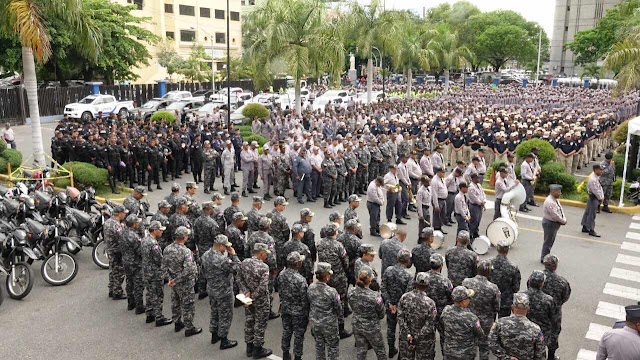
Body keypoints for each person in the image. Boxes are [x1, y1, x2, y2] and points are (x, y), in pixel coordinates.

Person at [201, 234, 240, 350]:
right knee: (225, 315)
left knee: (214, 312)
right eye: (226, 247)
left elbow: (202, 271)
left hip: (211, 289)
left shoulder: (205, 255)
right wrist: (234, 254)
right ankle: (224, 340)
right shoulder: (222, 260)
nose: (227, 249)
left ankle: (214, 334)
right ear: (221, 246)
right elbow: (238, 268)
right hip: (224, 291)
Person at [162, 226, 202, 337]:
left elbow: (164, 266)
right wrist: (176, 280)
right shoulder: (186, 251)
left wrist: (170, 279)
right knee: (188, 305)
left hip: (173, 282)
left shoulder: (167, 249)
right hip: (185, 283)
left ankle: (177, 323)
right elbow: (189, 269)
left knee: (176, 302)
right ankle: (189, 328)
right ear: (184, 237)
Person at [317, 223, 352, 335]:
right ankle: (340, 327)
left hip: (324, 275)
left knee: (326, 297)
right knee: (339, 299)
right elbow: (345, 261)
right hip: (338, 276)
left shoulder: (319, 243)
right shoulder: (338, 245)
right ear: (335, 232)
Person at [462, 260, 501, 360]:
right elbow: (497, 307)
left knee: (468, 344)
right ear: (489, 272)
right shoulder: (493, 288)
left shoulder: (466, 282)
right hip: (486, 321)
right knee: (484, 347)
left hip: (468, 318)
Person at [239, 243, 273, 359]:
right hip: (261, 300)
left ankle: (249, 347)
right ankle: (258, 349)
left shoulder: (244, 263)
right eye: (266, 254)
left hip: (247, 298)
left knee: (249, 321)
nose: (266, 257)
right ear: (261, 253)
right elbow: (263, 287)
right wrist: (254, 296)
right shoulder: (264, 267)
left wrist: (246, 292)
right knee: (260, 323)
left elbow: (239, 278)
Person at [488, 292, 546, 360]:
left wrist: (506, 357)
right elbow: (540, 354)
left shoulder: (500, 323)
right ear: (528, 309)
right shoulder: (536, 329)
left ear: (512, 307)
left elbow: (491, 342)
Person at [397, 271, 438, 360]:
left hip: (406, 338)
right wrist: (416, 338)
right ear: (428, 285)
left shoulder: (404, 297)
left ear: (415, 283)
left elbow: (400, 317)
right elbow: (429, 324)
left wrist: (408, 334)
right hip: (424, 341)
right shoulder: (430, 303)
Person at [381, 249, 413, 358]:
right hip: (402, 308)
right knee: (403, 330)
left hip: (390, 306)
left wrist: (390, 303)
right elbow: (407, 295)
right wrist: (399, 306)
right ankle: (401, 353)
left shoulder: (388, 270)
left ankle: (391, 349)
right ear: (407, 260)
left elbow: (383, 287)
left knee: (391, 328)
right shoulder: (409, 275)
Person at [277, 251, 310, 360]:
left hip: (285, 308)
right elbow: (304, 299)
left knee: (286, 331)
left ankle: (285, 354)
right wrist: (307, 314)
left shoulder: (281, 274)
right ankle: (297, 356)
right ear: (297, 264)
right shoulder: (300, 280)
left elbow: (280, 291)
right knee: (298, 335)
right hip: (298, 312)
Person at [308, 262, 344, 360]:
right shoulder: (332, 291)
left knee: (319, 346)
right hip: (329, 324)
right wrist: (340, 319)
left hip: (315, 322)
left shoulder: (310, 288)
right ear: (327, 276)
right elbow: (338, 308)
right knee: (333, 347)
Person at [350, 265, 386, 360]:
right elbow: (382, 314)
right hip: (372, 327)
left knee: (361, 350)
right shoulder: (375, 296)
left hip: (357, 324)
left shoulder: (351, 292)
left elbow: (352, 306)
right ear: (370, 279)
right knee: (380, 351)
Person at [141, 221, 173, 326]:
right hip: (155, 273)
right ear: (155, 230)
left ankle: (149, 314)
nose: (162, 232)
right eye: (160, 230)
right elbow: (159, 259)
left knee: (150, 293)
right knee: (157, 294)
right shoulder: (153, 243)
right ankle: (159, 317)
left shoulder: (145, 240)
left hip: (146, 271)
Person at [441, 286, 484, 359]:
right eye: (469, 298)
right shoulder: (471, 317)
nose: (470, 300)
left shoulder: (446, 310)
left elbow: (442, 324)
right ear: (463, 301)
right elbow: (480, 333)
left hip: (449, 352)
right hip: (466, 354)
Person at [542, 254, 571, 360]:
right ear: (555, 266)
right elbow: (565, 296)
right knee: (553, 335)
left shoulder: (537, 277)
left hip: (538, 311)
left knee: (536, 332)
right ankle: (550, 357)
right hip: (555, 313)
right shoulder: (562, 282)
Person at [423, 254, 453, 357]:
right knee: (444, 337)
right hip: (441, 313)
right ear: (441, 266)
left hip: (426, 312)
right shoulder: (445, 281)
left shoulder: (423, 278)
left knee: (427, 338)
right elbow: (451, 297)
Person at [526, 270, 559, 359]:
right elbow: (554, 318)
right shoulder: (548, 300)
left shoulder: (521, 296)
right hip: (542, 332)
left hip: (525, 329)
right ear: (542, 284)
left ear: (529, 281)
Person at [120, 214, 145, 314]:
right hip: (135, 262)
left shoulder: (122, 232)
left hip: (126, 261)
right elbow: (140, 251)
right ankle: (139, 306)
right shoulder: (134, 236)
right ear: (134, 225)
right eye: (137, 222)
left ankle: (131, 303)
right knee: (138, 284)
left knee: (129, 282)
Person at [490, 241, 521, 318]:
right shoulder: (513, 267)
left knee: (490, 322)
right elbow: (516, 288)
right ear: (507, 250)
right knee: (503, 324)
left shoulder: (489, 263)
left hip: (490, 297)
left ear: (497, 249)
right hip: (505, 300)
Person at [104, 205, 128, 300]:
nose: (125, 215)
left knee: (113, 270)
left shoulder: (108, 222)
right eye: (124, 213)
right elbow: (121, 238)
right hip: (116, 251)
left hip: (110, 249)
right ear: (119, 213)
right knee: (119, 271)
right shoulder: (116, 225)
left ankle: (111, 289)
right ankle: (117, 292)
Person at [541, 184, 567, 262]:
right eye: (558, 192)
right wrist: (563, 221)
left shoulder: (554, 200)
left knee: (550, 241)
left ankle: (546, 256)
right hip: (550, 224)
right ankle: (544, 258)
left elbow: (560, 210)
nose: (560, 193)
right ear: (553, 192)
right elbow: (555, 215)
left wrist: (564, 219)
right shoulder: (550, 202)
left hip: (553, 224)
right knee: (548, 242)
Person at [582, 164, 605, 237]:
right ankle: (591, 230)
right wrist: (600, 198)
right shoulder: (593, 180)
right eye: (600, 170)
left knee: (588, 212)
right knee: (592, 214)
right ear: (596, 170)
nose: (601, 171)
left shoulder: (596, 178)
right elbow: (596, 191)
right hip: (594, 198)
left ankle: (585, 226)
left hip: (593, 197)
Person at [431, 166, 449, 234]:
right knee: (437, 215)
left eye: (444, 172)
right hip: (438, 200)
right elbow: (434, 193)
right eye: (442, 172)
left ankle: (440, 227)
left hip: (443, 199)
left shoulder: (441, 179)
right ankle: (436, 229)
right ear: (438, 172)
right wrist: (436, 205)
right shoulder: (435, 180)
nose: (443, 174)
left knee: (442, 215)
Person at [467, 173, 486, 239]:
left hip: (480, 205)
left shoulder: (478, 185)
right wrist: (480, 202)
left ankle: (475, 232)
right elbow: (473, 197)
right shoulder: (471, 187)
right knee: (473, 221)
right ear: (474, 179)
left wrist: (483, 200)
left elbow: (483, 193)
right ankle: (470, 234)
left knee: (478, 220)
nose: (479, 179)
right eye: (477, 178)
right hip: (474, 206)